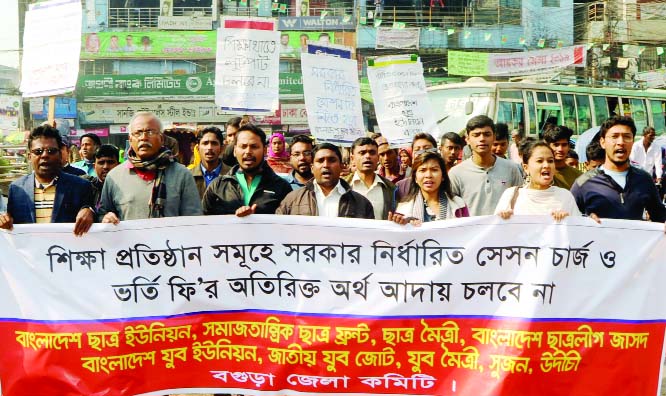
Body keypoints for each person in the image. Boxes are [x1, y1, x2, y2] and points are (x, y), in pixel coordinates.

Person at [99, 112, 202, 222]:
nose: (144, 138)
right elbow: (102, 214)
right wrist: (105, 219)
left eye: (150, 132)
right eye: (138, 133)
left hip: (172, 239)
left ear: (161, 139)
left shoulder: (182, 175)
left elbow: (194, 219)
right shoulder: (114, 177)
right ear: (130, 140)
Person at [1, 125, 94, 236]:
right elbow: (11, 224)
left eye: (51, 151)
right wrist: (4, 221)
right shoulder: (17, 189)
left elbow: (96, 218)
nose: (45, 155)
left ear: (60, 155)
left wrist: (90, 212)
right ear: (30, 156)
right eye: (38, 151)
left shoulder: (81, 187)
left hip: (65, 252)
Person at [571, 116, 666, 223]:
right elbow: (570, 219)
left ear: (633, 141)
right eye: (614, 137)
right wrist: (586, 220)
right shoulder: (583, 181)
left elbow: (660, 217)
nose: (621, 142)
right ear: (602, 142)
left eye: (627, 137)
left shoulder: (644, 179)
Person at [202, 124, 292, 217]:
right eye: (243, 146)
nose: (248, 151)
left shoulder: (281, 187)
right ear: (235, 151)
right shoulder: (218, 186)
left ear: (265, 150)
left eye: (254, 146)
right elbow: (203, 222)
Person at [449, 115, 523, 216]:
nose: (482, 139)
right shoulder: (456, 173)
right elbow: (452, 212)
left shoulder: (511, 168)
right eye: (476, 135)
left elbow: (520, 203)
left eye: (487, 134)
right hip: (471, 230)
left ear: (494, 137)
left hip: (505, 229)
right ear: (467, 139)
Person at [276, 143, 374, 218]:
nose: (326, 165)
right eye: (320, 160)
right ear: (312, 168)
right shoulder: (292, 200)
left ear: (341, 166)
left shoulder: (361, 203)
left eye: (332, 160)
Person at [495, 141, 581, 221]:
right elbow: (495, 231)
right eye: (540, 161)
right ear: (526, 168)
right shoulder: (511, 195)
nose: (546, 165)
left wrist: (567, 220)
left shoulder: (565, 196)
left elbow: (579, 230)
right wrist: (503, 219)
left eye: (550, 161)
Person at [395, 151, 469, 223]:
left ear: (443, 176)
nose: (428, 175)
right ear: (415, 178)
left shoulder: (459, 205)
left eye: (434, 170)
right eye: (422, 170)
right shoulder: (403, 210)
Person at [345, 137, 396, 220]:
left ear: (377, 157)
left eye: (372, 153)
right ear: (352, 158)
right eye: (362, 153)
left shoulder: (391, 188)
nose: (368, 156)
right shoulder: (342, 186)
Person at [396, 133, 438, 200]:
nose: (421, 153)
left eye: (427, 149)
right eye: (417, 150)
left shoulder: (447, 183)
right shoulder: (401, 187)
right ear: (412, 155)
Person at [190, 126, 228, 198]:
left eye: (214, 143)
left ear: (222, 148)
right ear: (198, 148)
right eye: (205, 143)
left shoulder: (232, 176)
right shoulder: (188, 176)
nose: (209, 147)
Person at [543, 125, 582, 190]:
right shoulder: (541, 173)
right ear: (548, 146)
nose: (560, 149)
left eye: (564, 145)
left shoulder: (578, 176)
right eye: (556, 145)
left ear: (569, 146)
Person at [82, 144, 120, 210]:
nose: (105, 167)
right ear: (94, 167)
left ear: (119, 165)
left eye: (110, 162)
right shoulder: (86, 187)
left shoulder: (125, 188)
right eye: (101, 163)